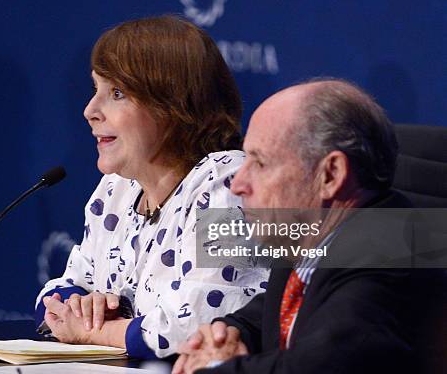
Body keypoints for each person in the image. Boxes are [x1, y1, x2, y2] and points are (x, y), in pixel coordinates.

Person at [173, 79, 446, 373]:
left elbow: (322, 363)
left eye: (260, 163)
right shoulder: (308, 234)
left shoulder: (390, 251)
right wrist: (232, 332)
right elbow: (288, 308)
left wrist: (212, 367)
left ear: (331, 174)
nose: (238, 184)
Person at [35, 15, 268, 358]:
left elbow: (198, 328)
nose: (90, 110)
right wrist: (82, 307)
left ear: (173, 105)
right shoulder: (117, 189)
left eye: (116, 93)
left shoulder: (226, 182)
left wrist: (92, 330)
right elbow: (57, 293)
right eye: (95, 90)